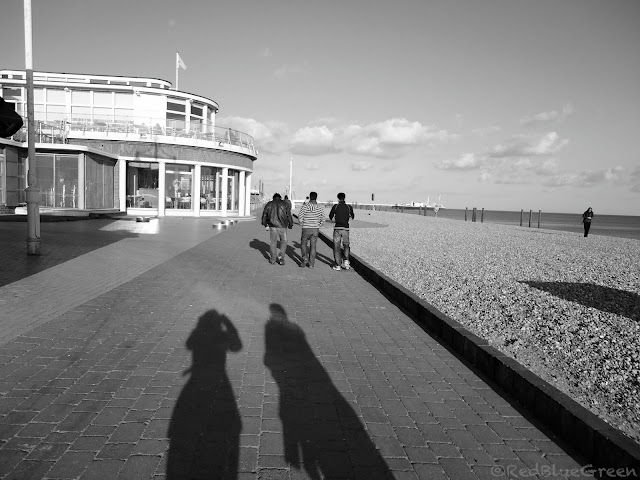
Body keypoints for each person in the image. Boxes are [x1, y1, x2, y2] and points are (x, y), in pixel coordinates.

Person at [261, 193, 293, 265]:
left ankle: (273, 259)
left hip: (272, 226)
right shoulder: (285, 204)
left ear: (273, 198)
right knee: (284, 241)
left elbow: (264, 214)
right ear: (280, 198)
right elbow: (288, 215)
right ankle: (281, 257)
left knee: (273, 242)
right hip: (282, 226)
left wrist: (265, 224)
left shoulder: (269, 204)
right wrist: (290, 224)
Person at [297, 191, 324, 268]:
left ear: (310, 197)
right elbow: (323, 218)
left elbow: (300, 216)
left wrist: (301, 223)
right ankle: (311, 263)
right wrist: (319, 224)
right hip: (315, 228)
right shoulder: (319, 207)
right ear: (316, 197)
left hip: (306, 228)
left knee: (303, 243)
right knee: (313, 246)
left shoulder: (305, 206)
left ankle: (304, 258)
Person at [328, 192, 355, 270]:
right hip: (346, 229)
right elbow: (352, 216)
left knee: (337, 247)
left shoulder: (335, 206)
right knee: (346, 245)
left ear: (338, 198)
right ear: (344, 198)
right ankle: (346, 262)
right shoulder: (349, 207)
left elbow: (330, 217)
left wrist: (336, 218)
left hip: (337, 228)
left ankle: (338, 265)